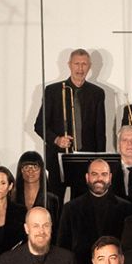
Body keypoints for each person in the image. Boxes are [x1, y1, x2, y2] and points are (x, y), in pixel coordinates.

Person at [34, 48, 107, 197]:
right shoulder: (52, 91)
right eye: (77, 64)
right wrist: (57, 139)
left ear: (90, 66)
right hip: (57, 158)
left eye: (84, 64)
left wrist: (100, 161)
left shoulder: (97, 93)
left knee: (81, 205)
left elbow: (100, 132)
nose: (80, 68)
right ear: (69, 65)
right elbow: (39, 125)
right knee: (55, 202)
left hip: (86, 160)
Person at [58, 159, 132, 264]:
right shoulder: (70, 209)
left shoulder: (126, 209)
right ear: (87, 177)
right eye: (95, 174)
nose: (99, 178)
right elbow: (62, 249)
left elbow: (130, 248)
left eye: (104, 174)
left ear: (110, 177)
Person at [15, 150, 61, 228]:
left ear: (41, 170)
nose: (30, 171)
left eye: (35, 167)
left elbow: (57, 230)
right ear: (21, 170)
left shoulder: (52, 200)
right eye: (26, 167)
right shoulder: (13, 197)